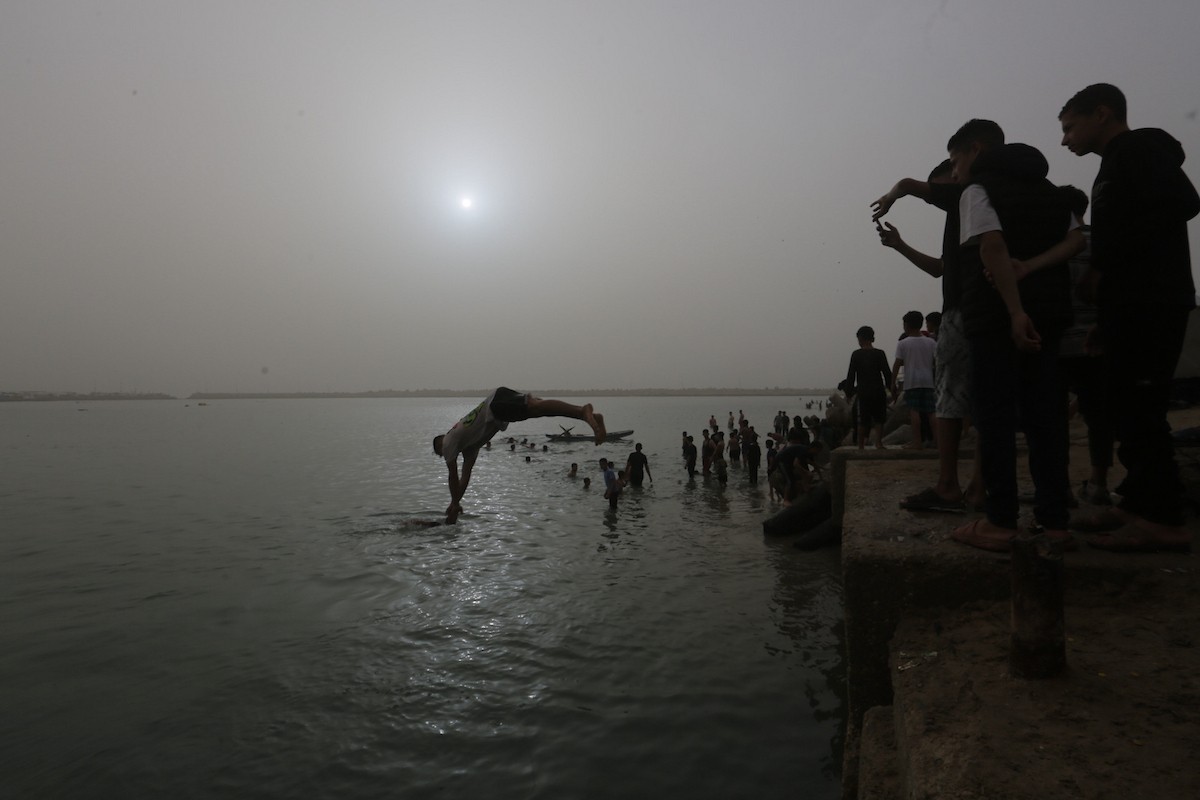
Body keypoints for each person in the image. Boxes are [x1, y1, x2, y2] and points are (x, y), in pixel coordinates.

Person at [1059, 83, 1198, 551]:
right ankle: (1136, 502)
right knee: (1123, 405)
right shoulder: (1113, 164)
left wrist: (1104, 266)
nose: (1065, 140)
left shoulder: (1138, 149)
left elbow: (1184, 202)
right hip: (1127, 305)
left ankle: (1163, 519)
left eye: (1070, 127)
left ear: (1102, 114)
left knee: (1142, 407)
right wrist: (1107, 307)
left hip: (1153, 300)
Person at [945, 120, 1082, 552]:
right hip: (1052, 315)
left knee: (996, 418)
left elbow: (991, 246)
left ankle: (1001, 521)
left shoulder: (978, 191)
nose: (954, 173)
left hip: (996, 319)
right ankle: (1055, 521)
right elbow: (1076, 241)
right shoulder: (1053, 192)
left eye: (955, 161)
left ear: (976, 152)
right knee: (1047, 418)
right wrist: (1034, 267)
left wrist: (1015, 310)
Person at [874, 156, 984, 511]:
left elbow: (907, 184)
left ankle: (950, 486)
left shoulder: (968, 195)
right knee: (982, 403)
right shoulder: (968, 214)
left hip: (967, 312)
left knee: (953, 403)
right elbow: (940, 269)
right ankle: (977, 488)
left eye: (946, 177)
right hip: (978, 312)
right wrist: (899, 245)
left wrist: (892, 196)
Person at [432, 387, 605, 523]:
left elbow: (453, 476)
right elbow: (464, 478)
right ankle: (587, 415)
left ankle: (583, 411)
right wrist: (455, 502)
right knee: (538, 409)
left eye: (441, 455)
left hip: (496, 406)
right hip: (498, 408)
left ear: (440, 446)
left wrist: (455, 502)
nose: (445, 457)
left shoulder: (447, 442)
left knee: (536, 408)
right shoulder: (470, 447)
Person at [892, 310, 939, 449]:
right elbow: (937, 362)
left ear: (906, 325)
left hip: (912, 382)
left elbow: (896, 364)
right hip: (928, 381)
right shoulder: (931, 342)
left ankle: (917, 442)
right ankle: (937, 441)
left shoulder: (903, 343)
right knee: (931, 411)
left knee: (914, 411)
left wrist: (892, 382)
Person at [845, 325, 892, 449]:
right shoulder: (880, 354)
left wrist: (848, 393)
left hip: (863, 391)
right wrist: (892, 389)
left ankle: (860, 445)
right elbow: (887, 373)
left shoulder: (856, 354)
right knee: (879, 418)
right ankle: (878, 442)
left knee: (863, 419)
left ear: (860, 338)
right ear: (872, 338)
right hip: (878, 390)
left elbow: (851, 375)